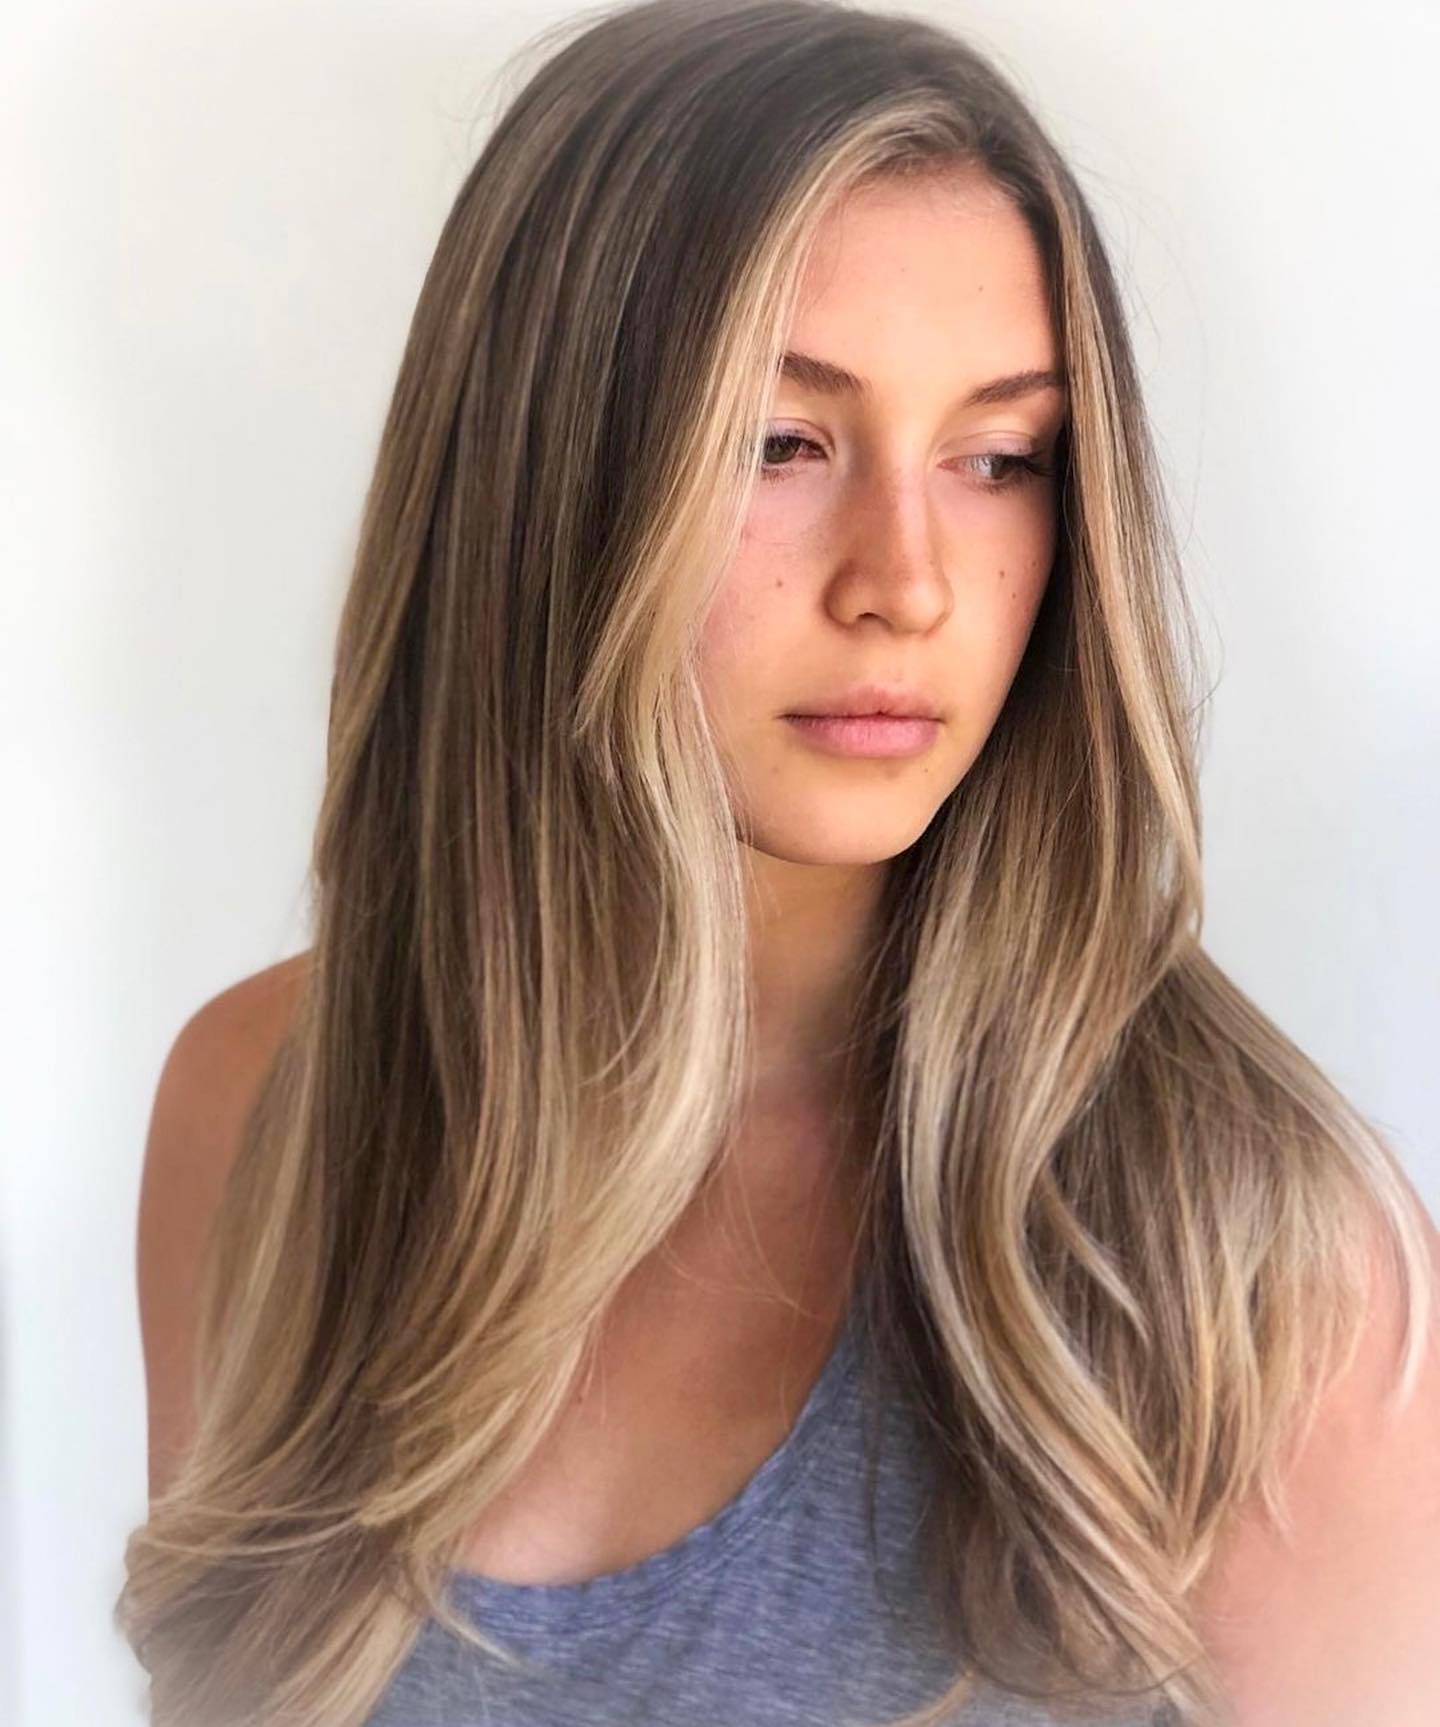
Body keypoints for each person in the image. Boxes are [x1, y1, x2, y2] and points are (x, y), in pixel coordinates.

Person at [117, 2, 1440, 1724]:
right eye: (781, 442)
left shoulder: (1255, 1269)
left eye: (1000, 459)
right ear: (541, 479)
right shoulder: (267, 1112)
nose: (909, 581)